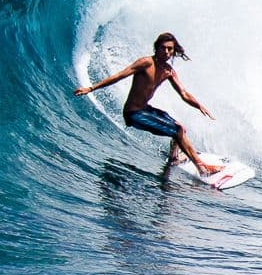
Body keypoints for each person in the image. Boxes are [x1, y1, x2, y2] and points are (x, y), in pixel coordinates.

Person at [74, 33, 223, 176]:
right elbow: (119, 76)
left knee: (180, 128)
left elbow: (183, 93)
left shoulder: (168, 71)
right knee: (177, 130)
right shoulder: (146, 63)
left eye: (170, 49)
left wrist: (199, 106)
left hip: (145, 110)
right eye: (163, 48)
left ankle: (173, 158)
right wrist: (91, 88)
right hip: (134, 113)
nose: (166, 52)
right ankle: (203, 168)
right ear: (156, 48)